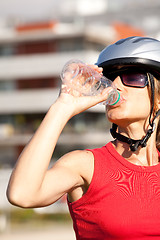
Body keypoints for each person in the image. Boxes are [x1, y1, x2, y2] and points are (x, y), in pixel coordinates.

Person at [7, 36, 160, 239]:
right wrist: (62, 108)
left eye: (132, 76)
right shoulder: (87, 166)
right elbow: (22, 194)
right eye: (111, 77)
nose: (115, 85)